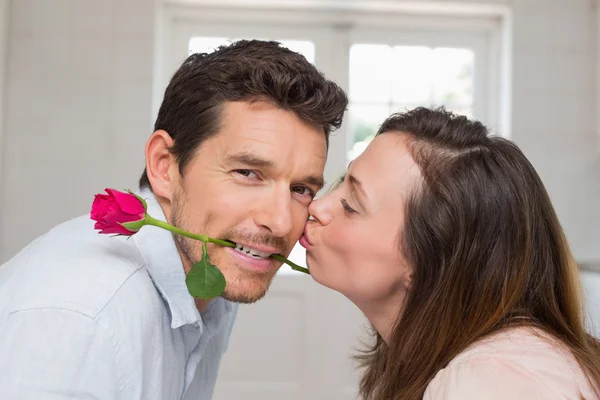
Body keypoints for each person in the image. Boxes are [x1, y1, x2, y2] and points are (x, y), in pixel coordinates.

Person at [0, 40, 347, 399]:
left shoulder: (210, 270)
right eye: (248, 172)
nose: (279, 221)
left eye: (302, 189)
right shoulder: (82, 320)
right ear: (164, 166)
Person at [300, 107, 600, 399]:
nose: (316, 206)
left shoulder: (487, 382)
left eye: (351, 205)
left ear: (427, 258)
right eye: (341, 182)